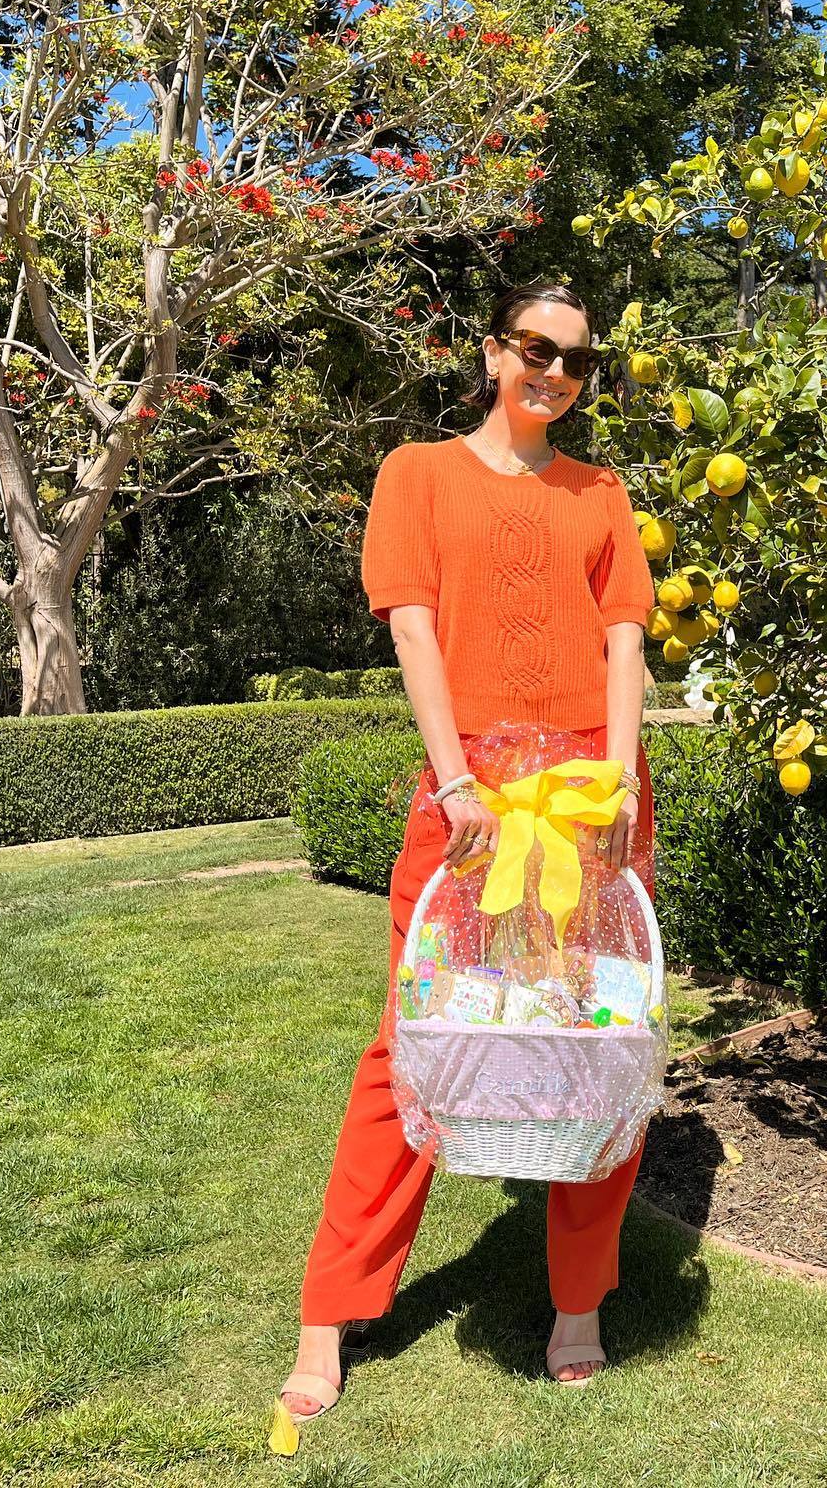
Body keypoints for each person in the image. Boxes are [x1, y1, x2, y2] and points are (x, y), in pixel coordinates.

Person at [278, 282, 655, 1428]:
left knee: (599, 1043)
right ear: (494, 352)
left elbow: (626, 635)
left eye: (578, 361)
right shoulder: (418, 473)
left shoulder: (602, 491)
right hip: (469, 798)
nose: (556, 373)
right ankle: (330, 1311)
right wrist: (452, 783)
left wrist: (619, 781)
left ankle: (578, 1305)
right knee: (410, 1046)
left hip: (588, 798)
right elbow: (413, 626)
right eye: (537, 348)